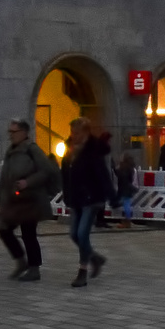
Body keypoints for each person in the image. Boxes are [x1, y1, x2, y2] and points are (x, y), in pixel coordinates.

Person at [0, 119, 59, 282]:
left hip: (31, 200)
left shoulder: (32, 150)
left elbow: (46, 171)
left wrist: (28, 182)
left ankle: (34, 268)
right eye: (9, 132)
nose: (10, 135)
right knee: (4, 229)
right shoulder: (11, 150)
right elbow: (5, 176)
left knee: (28, 234)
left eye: (13, 132)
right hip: (14, 200)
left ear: (24, 133)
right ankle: (21, 261)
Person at [60, 118, 114, 287]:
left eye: (76, 133)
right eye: (72, 133)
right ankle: (95, 258)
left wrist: (112, 197)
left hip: (91, 198)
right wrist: (66, 194)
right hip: (76, 198)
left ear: (85, 132)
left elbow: (103, 174)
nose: (73, 136)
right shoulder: (70, 150)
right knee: (73, 234)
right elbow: (66, 174)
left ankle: (82, 271)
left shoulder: (93, 151)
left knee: (83, 234)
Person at [111, 152, 138, 228]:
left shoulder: (125, 167)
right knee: (126, 204)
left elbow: (121, 176)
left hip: (124, 189)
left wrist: (114, 168)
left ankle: (127, 221)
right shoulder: (130, 167)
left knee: (124, 204)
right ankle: (127, 221)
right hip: (127, 189)